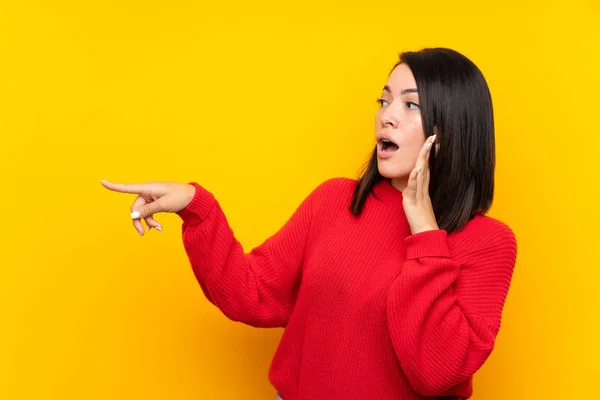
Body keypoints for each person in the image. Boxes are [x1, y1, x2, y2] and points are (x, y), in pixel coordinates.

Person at [102, 47, 517, 400]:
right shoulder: (335, 201)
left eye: (411, 105)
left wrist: (425, 232)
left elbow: (435, 372)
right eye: (384, 100)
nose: (386, 117)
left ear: (453, 129)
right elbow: (254, 292)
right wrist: (197, 206)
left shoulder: (489, 243)